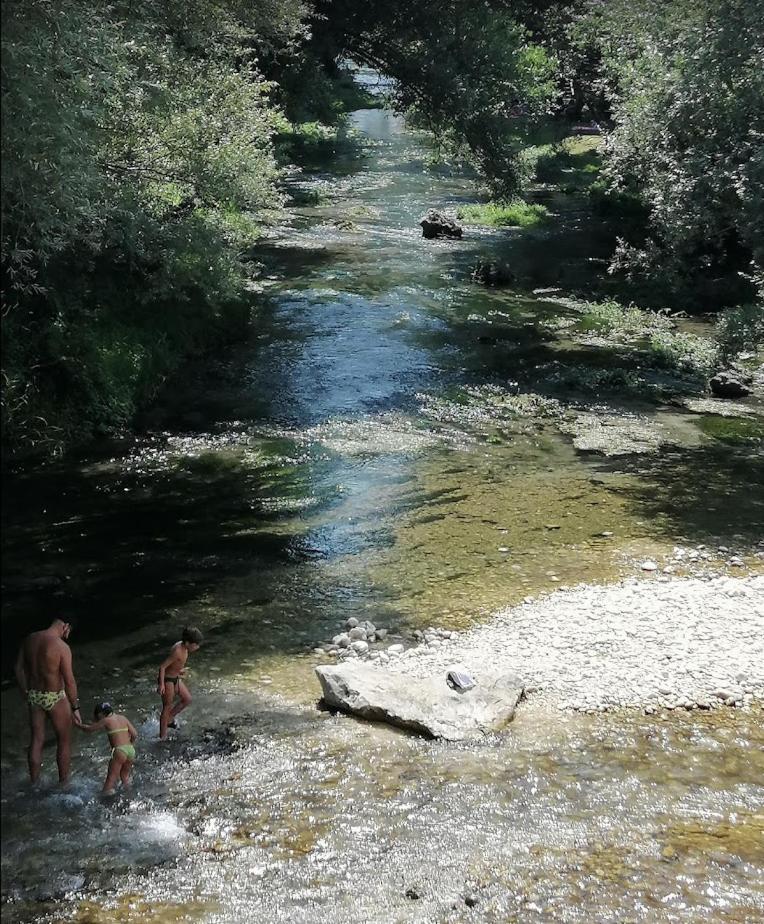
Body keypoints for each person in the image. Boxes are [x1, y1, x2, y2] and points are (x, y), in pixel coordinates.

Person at [14, 617, 82, 785]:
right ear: (65, 626)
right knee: (64, 739)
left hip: (35, 695)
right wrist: (75, 707)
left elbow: (18, 668)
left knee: (36, 739)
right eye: (68, 632)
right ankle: (63, 783)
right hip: (55, 696)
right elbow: (70, 681)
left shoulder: (30, 639)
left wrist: (25, 692)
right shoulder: (61, 647)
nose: (67, 636)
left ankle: (34, 783)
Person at [78, 702, 138, 795]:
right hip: (130, 750)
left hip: (120, 751)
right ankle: (129, 794)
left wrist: (77, 724)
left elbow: (89, 729)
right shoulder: (123, 718)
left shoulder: (106, 720)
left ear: (100, 714)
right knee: (125, 777)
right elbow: (134, 734)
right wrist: (130, 744)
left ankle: (105, 799)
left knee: (110, 779)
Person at [157, 626, 203, 739]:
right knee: (167, 706)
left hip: (175, 677)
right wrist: (161, 684)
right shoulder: (177, 651)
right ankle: (163, 736)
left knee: (187, 699)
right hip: (168, 679)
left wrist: (179, 671)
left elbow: (176, 664)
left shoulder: (185, 648)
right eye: (195, 644)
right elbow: (162, 667)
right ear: (187, 643)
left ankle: (169, 719)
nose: (197, 647)